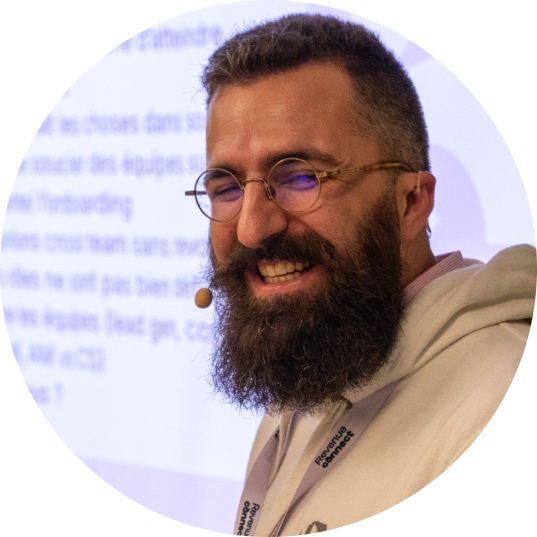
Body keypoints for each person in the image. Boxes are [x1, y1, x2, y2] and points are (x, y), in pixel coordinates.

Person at [186, 13, 536, 534]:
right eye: (228, 188)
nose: (252, 229)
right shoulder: (319, 366)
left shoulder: (489, 400)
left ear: (410, 202)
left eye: (301, 177)